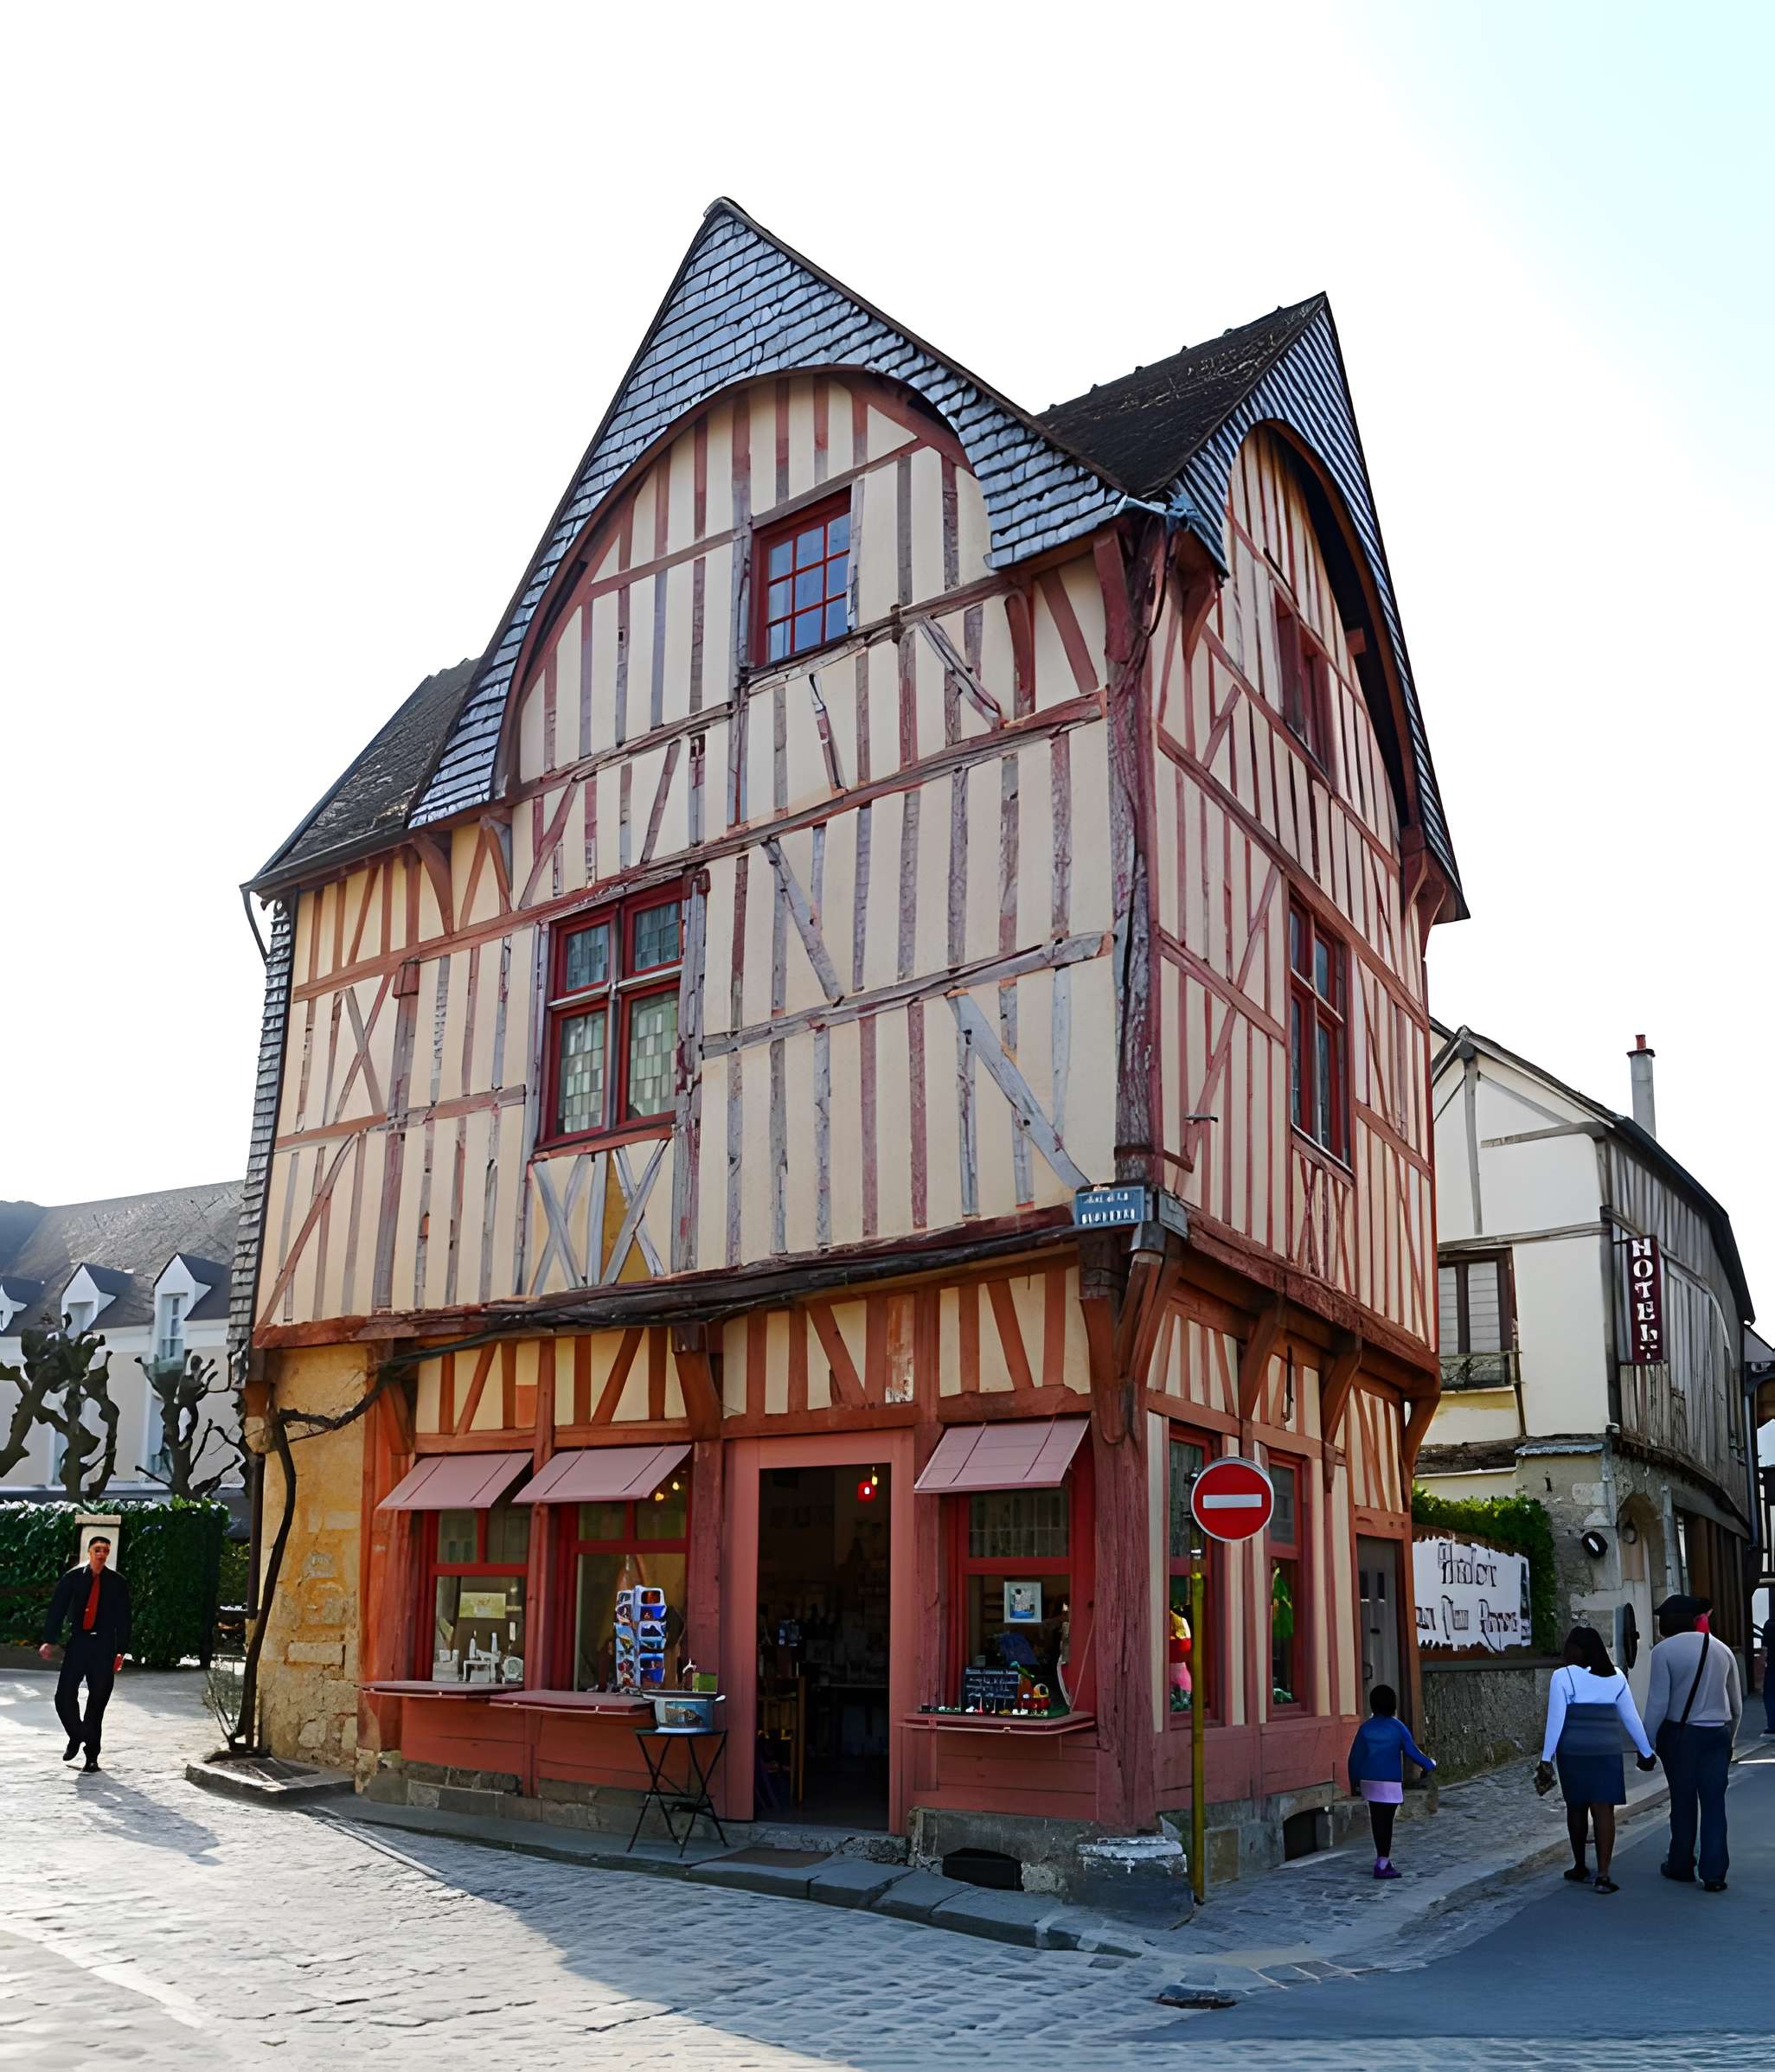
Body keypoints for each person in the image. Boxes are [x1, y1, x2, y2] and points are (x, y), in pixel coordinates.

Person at [1535, 1625, 1655, 1895]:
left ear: (1576, 1650)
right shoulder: (1617, 1678)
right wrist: (1646, 1751)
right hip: (1606, 1751)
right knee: (1604, 1810)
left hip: (1573, 1751)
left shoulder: (1562, 1676)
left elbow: (1555, 1720)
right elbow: (1631, 1718)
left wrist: (1546, 1758)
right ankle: (1603, 1874)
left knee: (1576, 1807)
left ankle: (1580, 1865)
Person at [1644, 1593, 1741, 1891]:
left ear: (1670, 1622)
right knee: (1714, 1804)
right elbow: (1736, 1705)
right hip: (1717, 1733)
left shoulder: (1663, 1652)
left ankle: (1681, 1864)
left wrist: (1645, 1744)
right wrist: (1730, 1739)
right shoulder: (1722, 1649)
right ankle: (1714, 1873)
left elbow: (1658, 1704)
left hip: (1681, 1734)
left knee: (1683, 1801)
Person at [38, 1534, 131, 1773]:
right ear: (89, 1552)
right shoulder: (73, 1578)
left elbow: (124, 1619)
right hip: (78, 1643)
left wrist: (121, 1650)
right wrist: (49, 1640)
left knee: (97, 1702)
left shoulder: (117, 1582)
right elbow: (57, 1609)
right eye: (98, 1550)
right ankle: (77, 1734)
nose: (101, 1554)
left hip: (104, 1646)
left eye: (105, 1551)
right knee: (63, 1696)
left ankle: (92, 1757)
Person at [1347, 1684, 1435, 1880]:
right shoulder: (1398, 1727)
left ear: (1373, 1705)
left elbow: (1354, 1758)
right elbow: (1412, 1752)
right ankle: (1383, 1862)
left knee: (1377, 1821)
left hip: (1369, 1780)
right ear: (1392, 1705)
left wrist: (1354, 1782)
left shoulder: (1365, 1728)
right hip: (1390, 1783)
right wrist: (1429, 1765)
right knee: (1387, 1822)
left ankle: (1382, 1858)